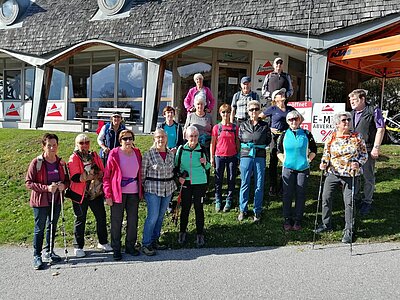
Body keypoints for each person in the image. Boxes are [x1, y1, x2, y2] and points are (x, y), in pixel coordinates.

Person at [314, 112, 368, 243]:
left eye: (349, 119)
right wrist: (324, 163)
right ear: (337, 124)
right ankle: (326, 224)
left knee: (349, 202)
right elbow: (326, 154)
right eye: (344, 120)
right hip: (333, 173)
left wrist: (358, 163)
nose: (347, 122)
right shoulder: (332, 137)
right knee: (325, 197)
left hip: (350, 174)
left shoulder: (357, 137)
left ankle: (349, 229)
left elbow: (364, 154)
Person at [25, 133, 69, 270]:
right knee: (40, 228)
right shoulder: (37, 162)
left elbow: (67, 180)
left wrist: (64, 186)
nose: (52, 148)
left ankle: (49, 251)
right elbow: (29, 183)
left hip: (56, 200)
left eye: (54, 145)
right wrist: (47, 188)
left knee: (52, 226)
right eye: (49, 145)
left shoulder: (61, 163)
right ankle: (37, 256)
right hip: (41, 201)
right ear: (43, 146)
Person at [67, 134, 112, 258]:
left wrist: (91, 175)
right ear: (77, 144)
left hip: (95, 193)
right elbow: (76, 177)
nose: (84, 145)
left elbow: (102, 171)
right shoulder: (74, 158)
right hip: (80, 194)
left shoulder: (94, 155)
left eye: (87, 142)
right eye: (81, 143)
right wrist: (92, 175)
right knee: (80, 219)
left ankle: (102, 242)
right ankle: (78, 246)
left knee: (101, 217)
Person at [103, 130, 142, 261]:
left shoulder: (137, 153)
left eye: (130, 138)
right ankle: (116, 248)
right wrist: (108, 195)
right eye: (125, 139)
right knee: (116, 221)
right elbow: (107, 176)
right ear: (120, 141)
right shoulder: (114, 153)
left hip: (133, 192)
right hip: (117, 193)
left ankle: (130, 246)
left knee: (132, 221)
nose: (128, 141)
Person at [277, 111, 317, 231]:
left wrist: (308, 160)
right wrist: (284, 161)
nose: (293, 121)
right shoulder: (284, 134)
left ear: (300, 120)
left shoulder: (306, 133)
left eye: (296, 119)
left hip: (302, 169)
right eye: (290, 120)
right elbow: (278, 150)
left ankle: (298, 220)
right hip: (288, 169)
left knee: (301, 194)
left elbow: (314, 149)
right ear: (287, 122)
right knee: (287, 195)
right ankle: (287, 219)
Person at [349, 89, 385, 215]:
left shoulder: (373, 110)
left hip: (369, 149)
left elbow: (380, 129)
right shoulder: (351, 113)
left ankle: (367, 201)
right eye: (351, 100)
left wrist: (376, 147)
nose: (352, 102)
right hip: (354, 151)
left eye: (354, 100)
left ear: (362, 99)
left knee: (368, 176)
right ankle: (356, 198)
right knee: (355, 175)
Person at [141, 128, 177, 256]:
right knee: (153, 216)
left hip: (168, 189)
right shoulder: (148, 154)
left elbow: (173, 170)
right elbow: (142, 174)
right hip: (153, 189)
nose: (161, 139)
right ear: (154, 139)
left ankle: (155, 240)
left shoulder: (171, 154)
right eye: (158, 137)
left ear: (166, 139)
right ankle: (146, 243)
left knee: (161, 216)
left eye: (163, 137)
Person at [175, 125, 211, 247]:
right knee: (185, 208)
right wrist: (179, 176)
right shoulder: (181, 149)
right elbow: (176, 166)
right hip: (186, 183)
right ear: (186, 137)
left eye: (196, 136)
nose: (194, 138)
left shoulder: (202, 149)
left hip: (200, 183)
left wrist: (205, 163)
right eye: (191, 136)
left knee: (198, 208)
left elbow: (208, 167)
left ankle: (200, 234)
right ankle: (182, 232)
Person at [238, 100, 271, 222]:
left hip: (259, 156)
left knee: (259, 183)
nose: (254, 112)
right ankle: (243, 209)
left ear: (259, 111)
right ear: (248, 111)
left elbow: (268, 140)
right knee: (244, 182)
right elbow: (240, 138)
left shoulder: (264, 126)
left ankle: (257, 210)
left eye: (256, 109)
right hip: (246, 156)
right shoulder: (243, 125)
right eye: (251, 109)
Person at [259, 88, 296, 196]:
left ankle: (283, 186)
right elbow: (259, 118)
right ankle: (272, 186)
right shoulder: (272, 109)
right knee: (273, 162)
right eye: (279, 93)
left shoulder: (290, 109)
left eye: (283, 93)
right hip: (274, 138)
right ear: (275, 99)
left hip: (287, 138)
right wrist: (269, 128)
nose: (282, 94)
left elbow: (300, 118)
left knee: (286, 161)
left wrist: (292, 129)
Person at [210, 104, 239, 212]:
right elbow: (213, 143)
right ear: (220, 113)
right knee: (219, 179)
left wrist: (238, 155)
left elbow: (237, 141)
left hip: (232, 156)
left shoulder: (234, 127)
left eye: (227, 112)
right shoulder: (216, 128)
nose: (225, 114)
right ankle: (218, 199)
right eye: (223, 112)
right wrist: (212, 157)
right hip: (219, 156)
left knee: (231, 179)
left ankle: (229, 199)